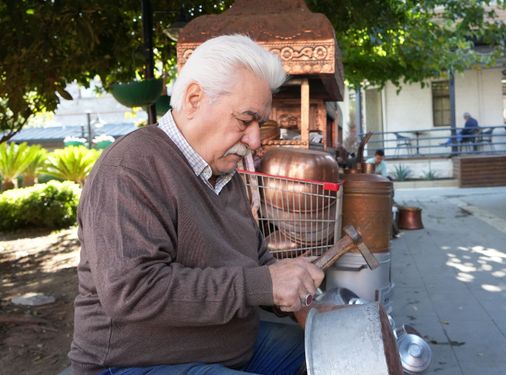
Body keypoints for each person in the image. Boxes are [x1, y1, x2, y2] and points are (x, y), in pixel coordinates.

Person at [68, 35, 324, 375]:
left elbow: (254, 259)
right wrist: (264, 285)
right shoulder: (130, 168)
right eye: (244, 120)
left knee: (332, 353)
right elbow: (133, 291)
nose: (254, 140)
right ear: (193, 99)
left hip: (231, 345)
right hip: (130, 364)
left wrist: (294, 292)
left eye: (258, 124)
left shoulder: (226, 173)